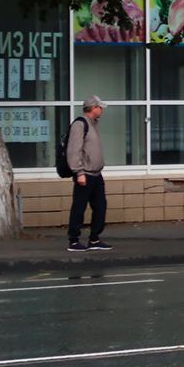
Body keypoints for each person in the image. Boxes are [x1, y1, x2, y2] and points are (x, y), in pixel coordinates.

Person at [66, 95, 111, 252]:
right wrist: (79, 172)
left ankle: (94, 239)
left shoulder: (94, 125)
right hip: (84, 173)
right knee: (79, 207)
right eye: (100, 108)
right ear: (93, 108)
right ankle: (73, 241)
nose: (101, 111)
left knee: (100, 206)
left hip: (96, 174)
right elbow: (74, 150)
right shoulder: (80, 124)